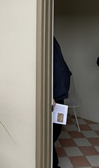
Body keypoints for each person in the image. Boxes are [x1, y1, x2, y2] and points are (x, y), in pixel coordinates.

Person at [54, 37, 71, 168]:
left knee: (57, 129)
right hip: (52, 97)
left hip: (59, 95)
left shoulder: (52, 39)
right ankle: (53, 164)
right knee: (52, 133)